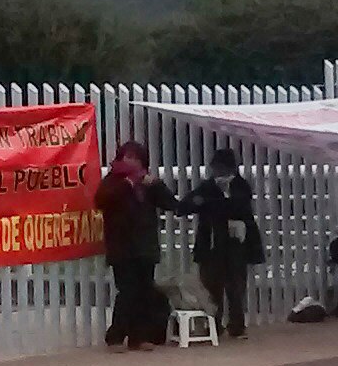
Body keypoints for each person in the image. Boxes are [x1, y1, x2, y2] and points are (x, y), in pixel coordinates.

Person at [95, 140, 180, 349]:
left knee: (145, 291)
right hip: (122, 247)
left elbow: (171, 204)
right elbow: (101, 201)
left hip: (145, 246)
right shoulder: (114, 180)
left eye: (136, 157)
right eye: (127, 156)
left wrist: (157, 185)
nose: (131, 161)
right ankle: (115, 335)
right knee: (127, 291)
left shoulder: (147, 182)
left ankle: (139, 337)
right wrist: (127, 184)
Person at [182, 148, 264, 339]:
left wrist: (210, 202)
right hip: (211, 244)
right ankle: (214, 325)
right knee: (211, 286)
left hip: (235, 245)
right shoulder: (207, 187)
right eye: (216, 168)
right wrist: (207, 200)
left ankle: (237, 325)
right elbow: (184, 206)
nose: (219, 173)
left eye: (223, 169)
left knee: (236, 286)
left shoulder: (241, 186)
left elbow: (239, 207)